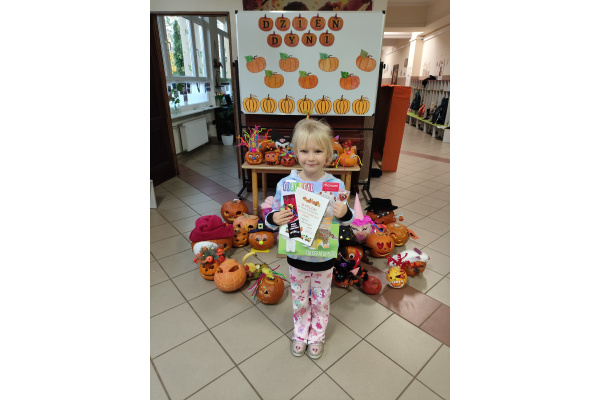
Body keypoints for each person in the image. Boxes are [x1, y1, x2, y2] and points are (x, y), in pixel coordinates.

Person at [264, 118, 354, 359]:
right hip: (297, 257)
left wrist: (344, 213)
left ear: (329, 154)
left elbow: (347, 221)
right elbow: (271, 217)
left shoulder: (335, 185)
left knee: (321, 300)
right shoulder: (286, 184)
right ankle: (300, 333)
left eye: (318, 151)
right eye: (304, 151)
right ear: (295, 152)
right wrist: (275, 218)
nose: (311, 158)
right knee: (300, 299)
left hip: (324, 258)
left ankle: (317, 336)